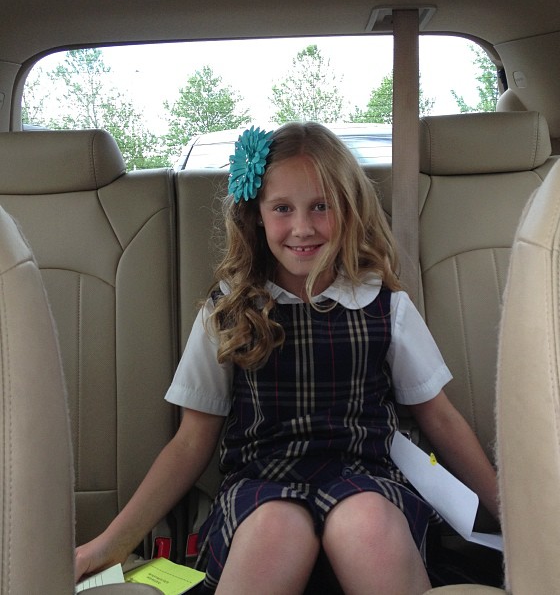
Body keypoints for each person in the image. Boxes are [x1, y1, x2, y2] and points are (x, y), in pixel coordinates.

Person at [75, 122, 499, 594]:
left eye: (321, 206)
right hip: (260, 487)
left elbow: (439, 416)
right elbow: (192, 441)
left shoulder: (383, 304)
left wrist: (507, 512)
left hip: (365, 480)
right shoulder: (229, 309)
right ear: (256, 214)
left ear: (349, 209)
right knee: (275, 528)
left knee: (367, 522)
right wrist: (112, 543)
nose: (302, 227)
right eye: (282, 208)